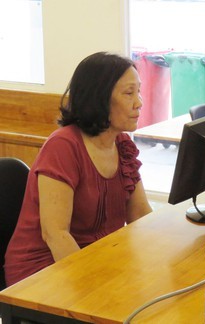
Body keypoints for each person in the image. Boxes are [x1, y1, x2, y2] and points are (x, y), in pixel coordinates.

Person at [4, 52, 153, 286]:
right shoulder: (63, 146)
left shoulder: (122, 144)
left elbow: (140, 215)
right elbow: (56, 235)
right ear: (99, 98)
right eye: (128, 93)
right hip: (42, 271)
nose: (139, 102)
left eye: (139, 91)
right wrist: (94, 286)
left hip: (97, 261)